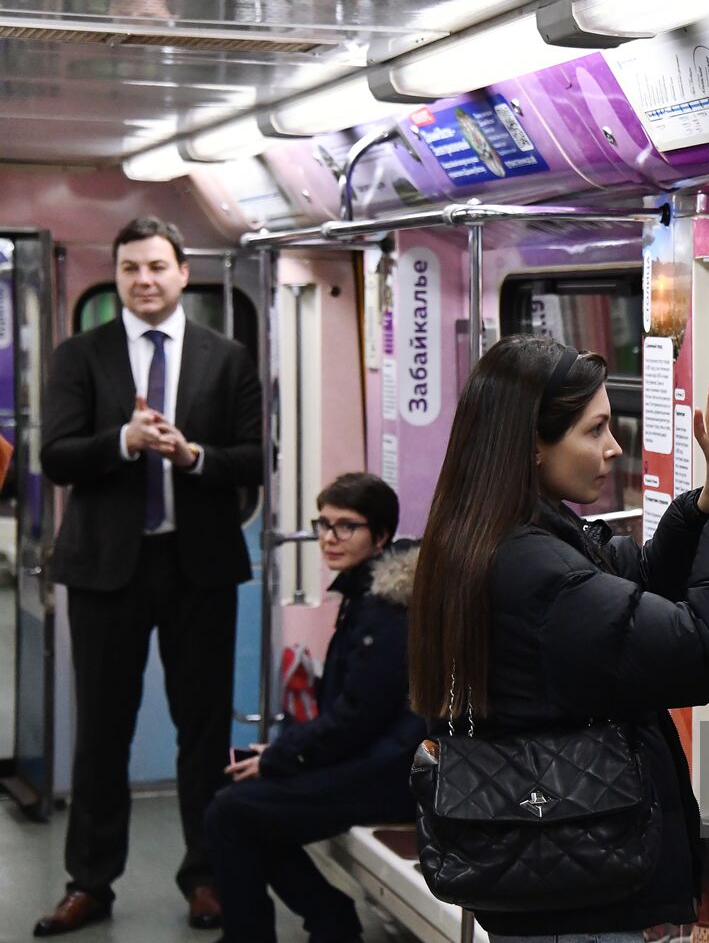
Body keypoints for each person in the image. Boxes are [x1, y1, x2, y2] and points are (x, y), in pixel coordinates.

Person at [408, 335, 709, 940]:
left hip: (552, 867)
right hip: (580, 890)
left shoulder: (500, 535)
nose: (614, 447)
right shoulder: (534, 571)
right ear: (532, 444)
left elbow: (629, 596)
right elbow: (703, 648)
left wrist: (707, 505)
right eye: (594, 429)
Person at [35, 216, 263, 936]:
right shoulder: (81, 354)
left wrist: (193, 456)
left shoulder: (227, 358)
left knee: (204, 729)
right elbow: (57, 455)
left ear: (182, 272)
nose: (144, 280)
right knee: (102, 730)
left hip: (198, 565)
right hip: (106, 569)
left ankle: (206, 875)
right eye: (130, 268)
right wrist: (125, 441)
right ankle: (90, 883)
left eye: (157, 267)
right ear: (119, 274)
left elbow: (256, 459)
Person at [205, 472, 425, 943]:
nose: (329, 537)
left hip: (390, 775)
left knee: (231, 815)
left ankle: (313, 923)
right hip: (370, 760)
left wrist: (283, 757)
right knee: (237, 800)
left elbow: (358, 718)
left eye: (346, 526)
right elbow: (346, 712)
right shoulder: (362, 592)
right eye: (323, 524)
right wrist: (283, 754)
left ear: (381, 535)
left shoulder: (387, 608)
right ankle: (329, 918)